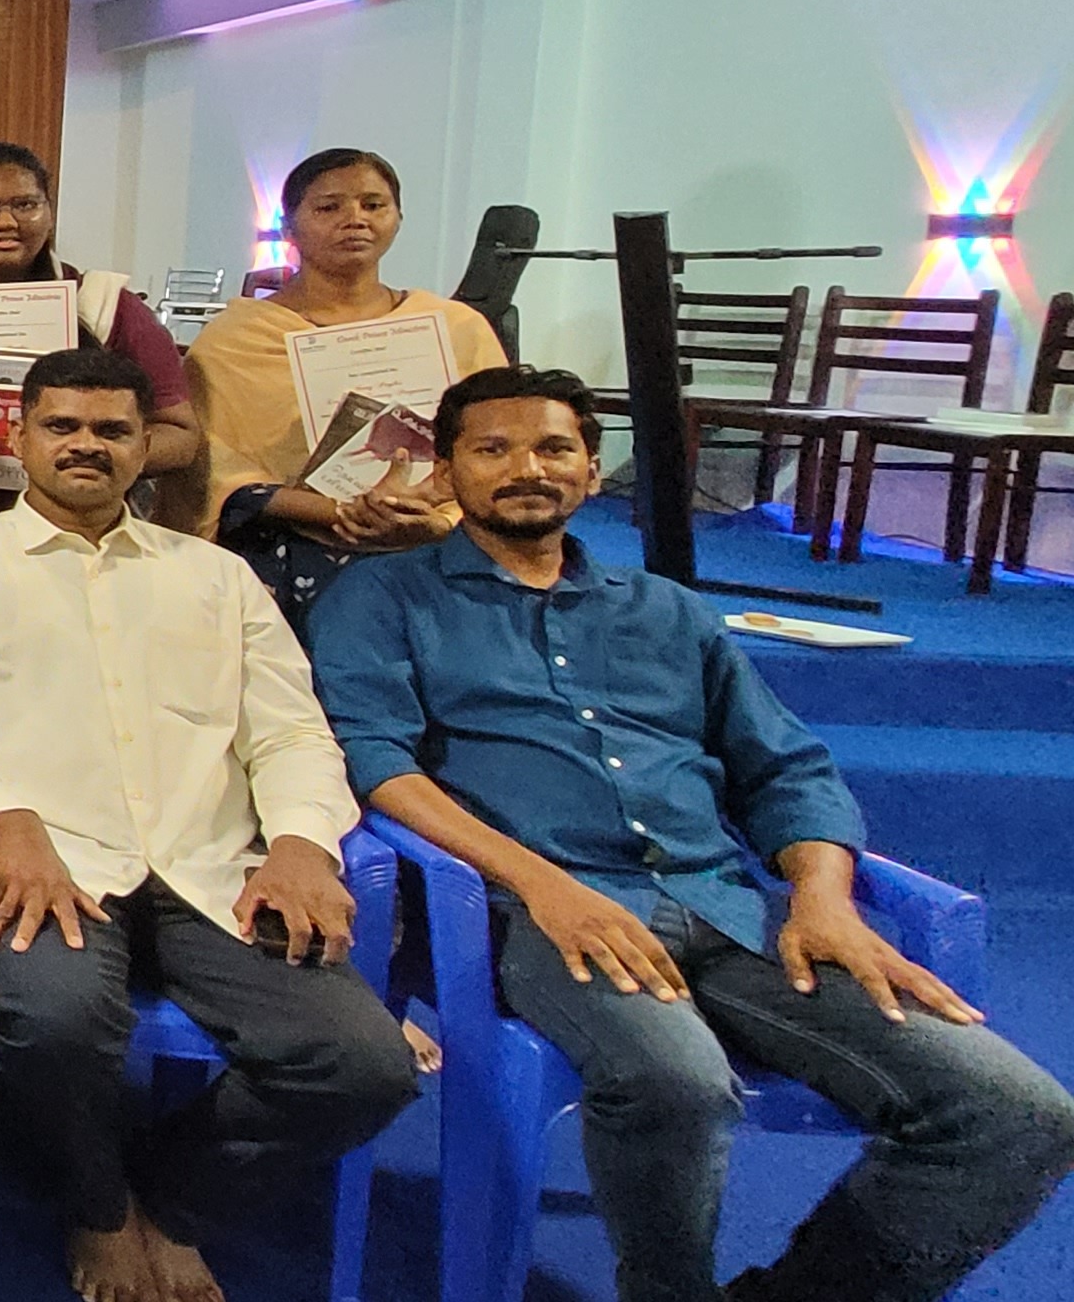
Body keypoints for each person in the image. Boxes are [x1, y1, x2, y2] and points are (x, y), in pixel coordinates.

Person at [312, 366, 1074, 1302]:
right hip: (537, 915)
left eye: (553, 448)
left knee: (1014, 1113)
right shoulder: (383, 597)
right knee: (675, 1082)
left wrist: (823, 897)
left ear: (593, 469)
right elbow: (377, 762)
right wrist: (545, 885)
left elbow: (784, 767)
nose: (526, 469)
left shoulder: (667, 610)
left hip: (727, 908)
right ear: (446, 470)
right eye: (493, 449)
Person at [0, 345, 421, 1302]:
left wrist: (301, 841)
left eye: (112, 430)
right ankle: (96, 1208)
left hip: (216, 866)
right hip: (46, 861)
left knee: (364, 1066)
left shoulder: (214, 576)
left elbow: (290, 729)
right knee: (53, 1022)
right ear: (21, 436)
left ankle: (170, 1203)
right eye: (63, 426)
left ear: (144, 445)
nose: (86, 445)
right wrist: (5, 814)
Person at [186, 147, 507, 627]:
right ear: (289, 227)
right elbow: (214, 471)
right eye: (329, 207)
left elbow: (500, 444)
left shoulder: (457, 328)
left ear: (398, 219)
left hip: (438, 536)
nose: (355, 219)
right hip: (294, 545)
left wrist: (437, 520)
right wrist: (340, 511)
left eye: (373, 205)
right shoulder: (238, 339)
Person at [0, 141, 200, 545]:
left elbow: (181, 437)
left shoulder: (103, 305)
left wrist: (87, 449)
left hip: (78, 534)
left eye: (26, 205)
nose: (6, 222)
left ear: (50, 212)